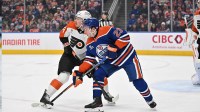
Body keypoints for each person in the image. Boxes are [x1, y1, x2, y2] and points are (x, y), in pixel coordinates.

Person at [72, 18, 157, 110]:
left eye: (86, 28)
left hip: (128, 57)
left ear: (93, 28)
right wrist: (80, 72)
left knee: (137, 81)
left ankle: (150, 100)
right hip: (111, 62)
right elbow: (89, 59)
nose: (84, 31)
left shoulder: (107, 30)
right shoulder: (89, 43)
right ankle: (97, 101)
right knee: (98, 74)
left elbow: (125, 36)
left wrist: (115, 47)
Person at [40, 10, 114, 106]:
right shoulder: (71, 25)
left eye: (78, 19)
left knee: (100, 74)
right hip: (69, 56)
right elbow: (62, 35)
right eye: (76, 18)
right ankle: (46, 96)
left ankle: (106, 94)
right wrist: (66, 46)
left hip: (86, 58)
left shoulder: (92, 31)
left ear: (85, 21)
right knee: (63, 76)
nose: (75, 20)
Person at [184, 0, 200, 85]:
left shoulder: (198, 13)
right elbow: (195, 29)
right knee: (197, 58)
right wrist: (192, 35)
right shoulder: (197, 14)